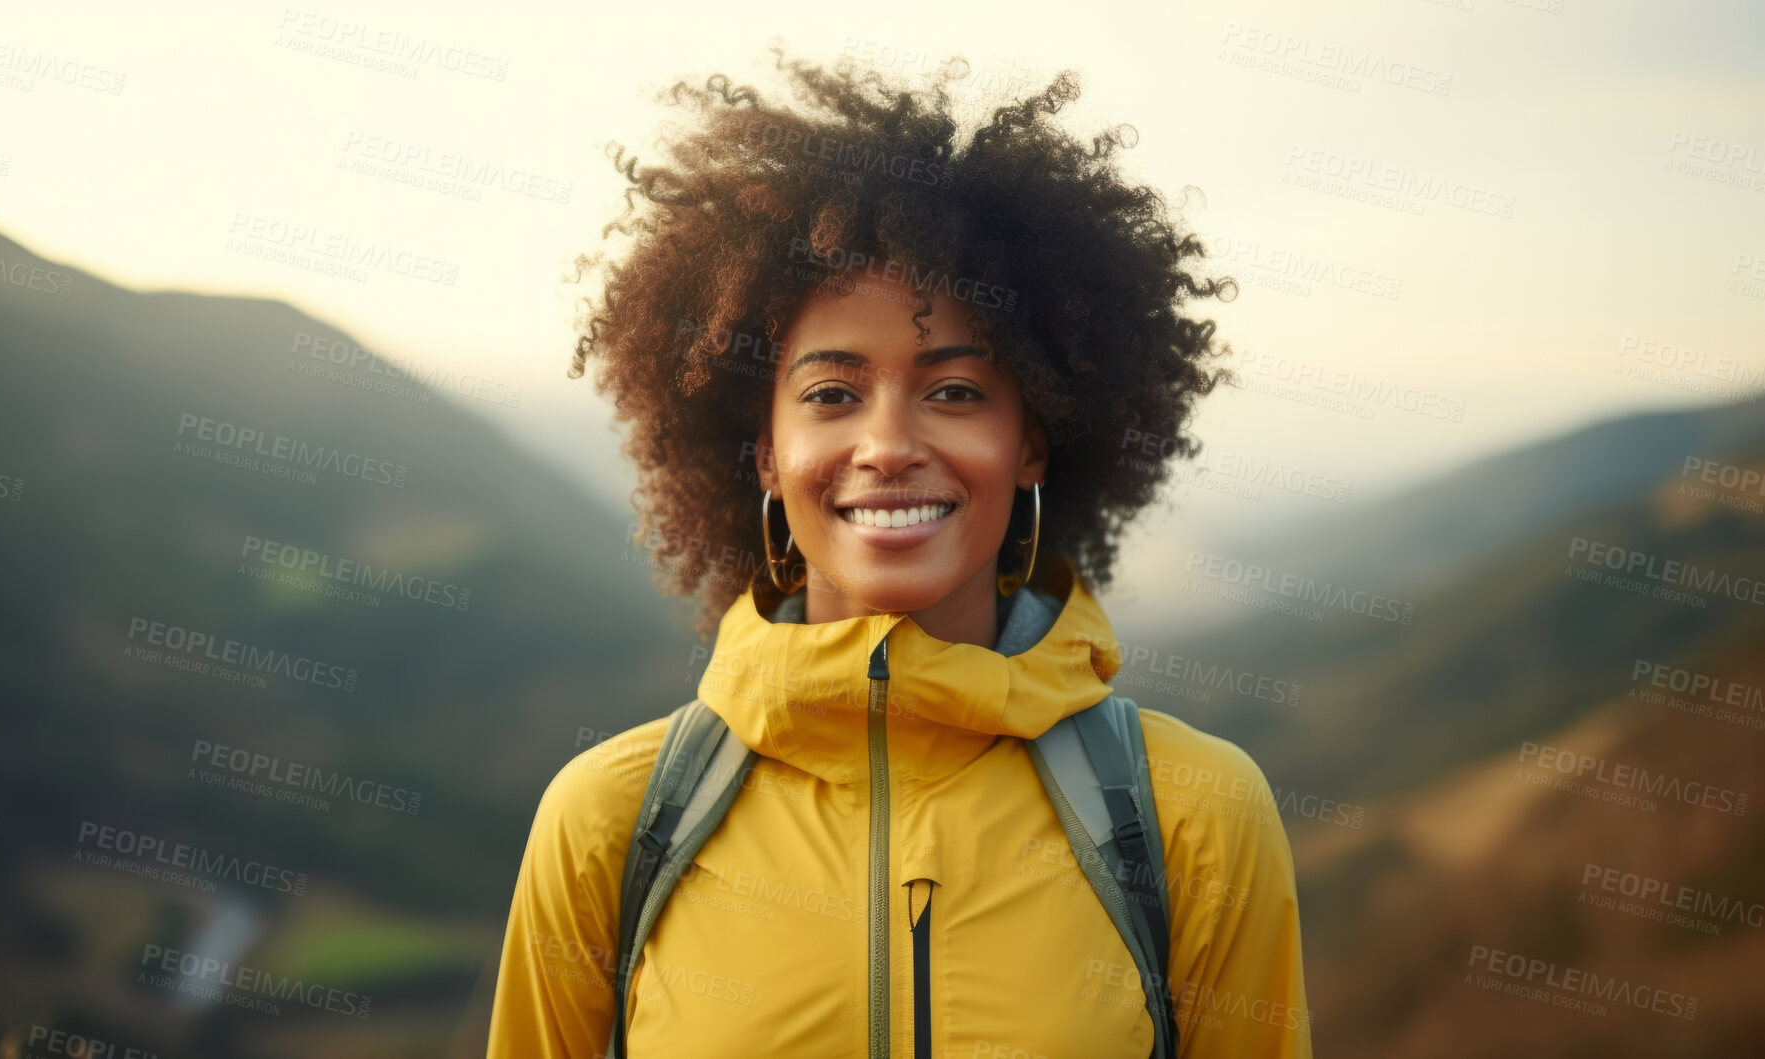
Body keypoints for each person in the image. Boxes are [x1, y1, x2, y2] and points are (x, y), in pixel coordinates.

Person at [488, 43, 1311, 1058]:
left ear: (1033, 441)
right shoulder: (610, 824)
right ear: (762, 455)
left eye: (954, 391)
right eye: (831, 394)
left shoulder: (1191, 817)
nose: (886, 446)